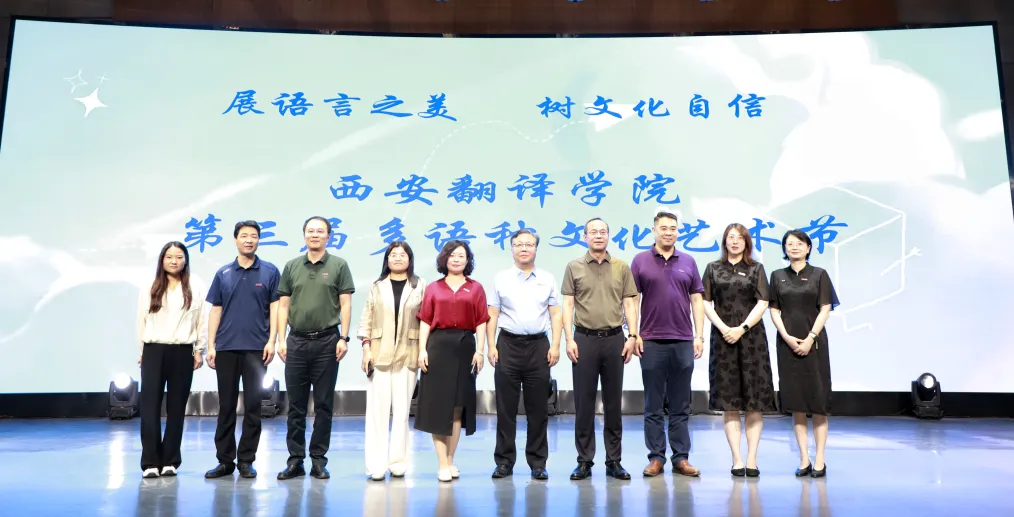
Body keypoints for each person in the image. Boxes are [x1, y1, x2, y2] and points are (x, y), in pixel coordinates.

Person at [276, 216, 356, 480]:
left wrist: (344, 337)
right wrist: (280, 339)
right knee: (296, 405)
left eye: (320, 231)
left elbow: (345, 304)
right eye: (310, 231)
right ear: (304, 235)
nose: (314, 235)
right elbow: (283, 306)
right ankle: (295, 460)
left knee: (323, 404)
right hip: (296, 341)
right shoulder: (292, 266)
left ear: (328, 236)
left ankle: (319, 460)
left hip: (327, 342)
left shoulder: (338, 265)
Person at [561, 218, 639, 481]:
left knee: (613, 403)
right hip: (584, 339)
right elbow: (567, 305)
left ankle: (614, 460)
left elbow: (629, 304)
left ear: (608, 236)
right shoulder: (573, 267)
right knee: (583, 403)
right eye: (593, 231)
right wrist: (569, 339)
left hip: (614, 339)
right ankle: (584, 460)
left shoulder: (621, 267)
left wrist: (632, 335)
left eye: (603, 231)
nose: (598, 235)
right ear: (584, 236)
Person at [630, 209, 706, 478]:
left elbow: (697, 299)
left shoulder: (688, 261)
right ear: (654, 230)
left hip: (683, 340)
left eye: (673, 228)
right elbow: (632, 300)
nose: (668, 232)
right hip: (650, 340)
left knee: (680, 403)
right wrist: (634, 333)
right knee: (652, 403)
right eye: (663, 228)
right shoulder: (640, 261)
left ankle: (681, 457)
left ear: (677, 231)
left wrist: (699, 335)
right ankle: (656, 457)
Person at [203, 221, 281, 480]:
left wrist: (272, 341)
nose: (249, 240)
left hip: (257, 349)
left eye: (254, 236)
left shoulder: (270, 271)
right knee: (226, 406)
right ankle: (225, 461)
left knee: (253, 406)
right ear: (235, 240)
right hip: (226, 348)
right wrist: (211, 345)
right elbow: (216, 310)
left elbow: (276, 308)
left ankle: (246, 460)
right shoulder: (223, 273)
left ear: (259, 240)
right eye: (244, 236)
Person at [701, 223, 777, 478]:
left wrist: (742, 328)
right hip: (723, 339)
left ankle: (752, 459)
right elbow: (705, 302)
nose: (734, 241)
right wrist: (724, 328)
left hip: (752, 338)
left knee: (754, 402)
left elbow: (763, 302)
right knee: (729, 402)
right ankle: (736, 459)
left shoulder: (756, 268)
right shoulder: (713, 268)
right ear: (725, 242)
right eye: (730, 237)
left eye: (739, 238)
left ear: (747, 242)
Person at [486, 229, 562, 481]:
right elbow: (492, 314)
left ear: (536, 249)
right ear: (512, 248)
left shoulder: (547, 278)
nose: (524, 248)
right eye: (519, 244)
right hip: (507, 345)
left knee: (538, 409)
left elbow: (555, 314)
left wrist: (555, 345)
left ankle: (538, 463)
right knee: (505, 408)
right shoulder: (501, 278)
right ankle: (504, 461)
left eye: (529, 244)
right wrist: (491, 346)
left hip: (538, 346)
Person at [414, 240, 489, 482]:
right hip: (438, 347)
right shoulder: (434, 288)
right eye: (452, 255)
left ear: (468, 260)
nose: (456, 259)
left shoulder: (475, 288)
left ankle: (450, 459)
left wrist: (480, 350)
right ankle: (442, 463)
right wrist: (422, 350)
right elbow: (425, 320)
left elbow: (481, 320)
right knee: (438, 407)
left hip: (465, 347)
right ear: (444, 259)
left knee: (458, 407)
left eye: (461, 255)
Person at [768, 229, 839, 478]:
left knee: (818, 404)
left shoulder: (819, 274)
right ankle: (804, 458)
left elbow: (825, 308)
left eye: (799, 243)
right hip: (787, 345)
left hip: (814, 345)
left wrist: (810, 338)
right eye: (789, 244)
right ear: (784, 249)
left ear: (808, 248)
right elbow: (774, 310)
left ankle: (820, 459)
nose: (794, 247)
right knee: (797, 404)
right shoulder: (777, 276)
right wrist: (787, 337)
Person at [136, 241, 207, 478]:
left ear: (185, 260)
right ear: (162, 260)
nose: (174, 261)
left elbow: (201, 320)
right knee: (150, 408)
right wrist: (142, 350)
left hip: (182, 351)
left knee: (177, 408)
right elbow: (141, 320)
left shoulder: (195, 285)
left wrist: (200, 349)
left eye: (178, 257)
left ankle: (170, 461)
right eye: (169, 257)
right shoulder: (151, 285)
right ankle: (150, 462)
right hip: (154, 350)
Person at [358, 241, 427, 481]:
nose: (398, 258)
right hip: (379, 354)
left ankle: (398, 462)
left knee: (402, 412)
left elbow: (426, 320)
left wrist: (423, 350)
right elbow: (366, 319)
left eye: (402, 254)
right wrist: (366, 349)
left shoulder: (420, 285)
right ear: (387, 259)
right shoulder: (377, 286)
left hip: (408, 354)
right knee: (377, 412)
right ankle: (376, 465)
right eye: (393, 254)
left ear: (410, 259)